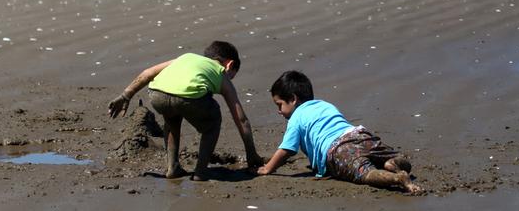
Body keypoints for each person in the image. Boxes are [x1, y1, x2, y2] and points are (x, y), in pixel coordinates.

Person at [108, 41, 262, 180]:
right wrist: (251, 153)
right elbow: (240, 119)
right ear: (229, 65)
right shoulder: (220, 73)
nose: (230, 79)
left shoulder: (185, 58)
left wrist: (125, 95)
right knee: (213, 123)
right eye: (232, 76)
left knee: (172, 118)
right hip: (190, 97)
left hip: (157, 94)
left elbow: (147, 73)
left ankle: (172, 167)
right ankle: (201, 171)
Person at [256, 70, 423, 194]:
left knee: (365, 173)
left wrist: (267, 168)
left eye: (279, 105)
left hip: (338, 149)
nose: (279, 111)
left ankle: (397, 178)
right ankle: (391, 162)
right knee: (389, 156)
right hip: (360, 134)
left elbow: (287, 149)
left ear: (293, 99)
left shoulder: (296, 118)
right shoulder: (325, 105)